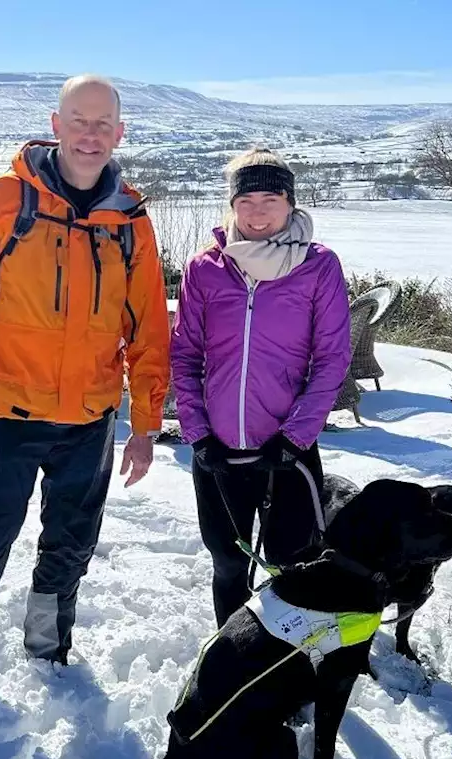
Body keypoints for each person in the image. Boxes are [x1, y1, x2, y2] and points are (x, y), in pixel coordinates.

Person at [0, 75, 170, 709]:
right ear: (55, 125)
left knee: (70, 545)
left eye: (103, 124)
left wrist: (145, 423)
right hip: (7, 415)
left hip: (89, 420)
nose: (90, 135)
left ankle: (46, 648)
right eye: (78, 121)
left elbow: (147, 329)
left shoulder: (131, 220)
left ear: (119, 133)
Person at [170, 147, 351, 627]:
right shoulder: (204, 268)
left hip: (287, 453)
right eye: (245, 200)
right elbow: (185, 354)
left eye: (270, 199)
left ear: (291, 203)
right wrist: (197, 432)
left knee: (292, 567)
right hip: (218, 453)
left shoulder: (318, 266)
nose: (257, 212)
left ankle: (288, 670)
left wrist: (296, 436)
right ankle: (232, 661)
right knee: (229, 565)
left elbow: (333, 359)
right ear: (231, 205)